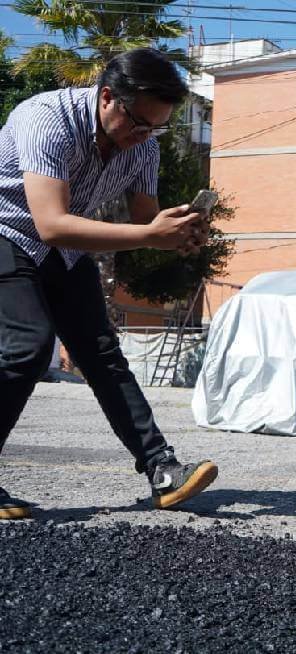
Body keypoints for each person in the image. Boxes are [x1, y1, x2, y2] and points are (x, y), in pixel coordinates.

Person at [0, 48, 218, 520]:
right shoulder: (46, 120)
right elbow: (51, 225)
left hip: (65, 249)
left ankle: (162, 469)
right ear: (107, 99)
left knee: (101, 352)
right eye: (139, 123)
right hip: (8, 233)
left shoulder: (144, 146)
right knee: (28, 347)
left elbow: (144, 218)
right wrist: (148, 235)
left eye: (155, 127)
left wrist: (176, 232)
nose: (143, 136)